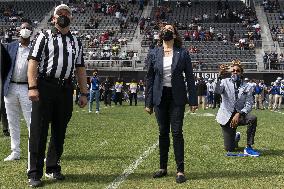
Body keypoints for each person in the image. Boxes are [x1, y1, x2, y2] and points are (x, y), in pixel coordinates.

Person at [27, 4, 88, 187]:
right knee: (39, 130)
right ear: (53, 18)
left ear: (71, 17)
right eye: (60, 14)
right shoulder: (44, 36)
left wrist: (84, 92)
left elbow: (80, 69)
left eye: (66, 13)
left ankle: (53, 167)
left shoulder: (76, 41)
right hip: (45, 86)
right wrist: (32, 86)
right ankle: (34, 172)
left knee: (59, 130)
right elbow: (33, 62)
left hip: (66, 88)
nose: (63, 16)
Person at [145, 24, 197, 183]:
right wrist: (148, 102)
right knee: (162, 132)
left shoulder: (183, 53)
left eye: (170, 29)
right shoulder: (154, 53)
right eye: (164, 29)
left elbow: (189, 78)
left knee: (176, 132)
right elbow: (150, 78)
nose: (167, 30)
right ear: (161, 35)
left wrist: (193, 100)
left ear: (174, 35)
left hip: (177, 97)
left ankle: (180, 170)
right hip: (160, 97)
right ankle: (163, 167)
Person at [215, 61, 260, 156]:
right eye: (233, 71)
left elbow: (249, 104)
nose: (235, 72)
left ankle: (249, 147)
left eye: (238, 71)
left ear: (241, 72)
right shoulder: (224, 81)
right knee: (230, 149)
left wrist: (239, 113)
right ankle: (235, 138)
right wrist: (219, 76)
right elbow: (218, 91)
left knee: (252, 118)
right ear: (231, 72)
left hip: (239, 116)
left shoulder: (247, 86)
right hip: (226, 118)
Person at [3, 22, 32, 161]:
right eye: (23, 28)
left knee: (32, 121)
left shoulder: (34, 49)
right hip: (11, 87)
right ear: (19, 31)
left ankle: (34, 152)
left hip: (27, 87)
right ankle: (15, 151)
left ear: (31, 32)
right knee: (12, 121)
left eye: (28, 28)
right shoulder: (10, 47)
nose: (25, 30)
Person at [0, 43, 10, 137]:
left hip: (1, 81)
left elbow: (8, 63)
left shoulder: (2, 47)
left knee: (3, 107)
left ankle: (5, 128)